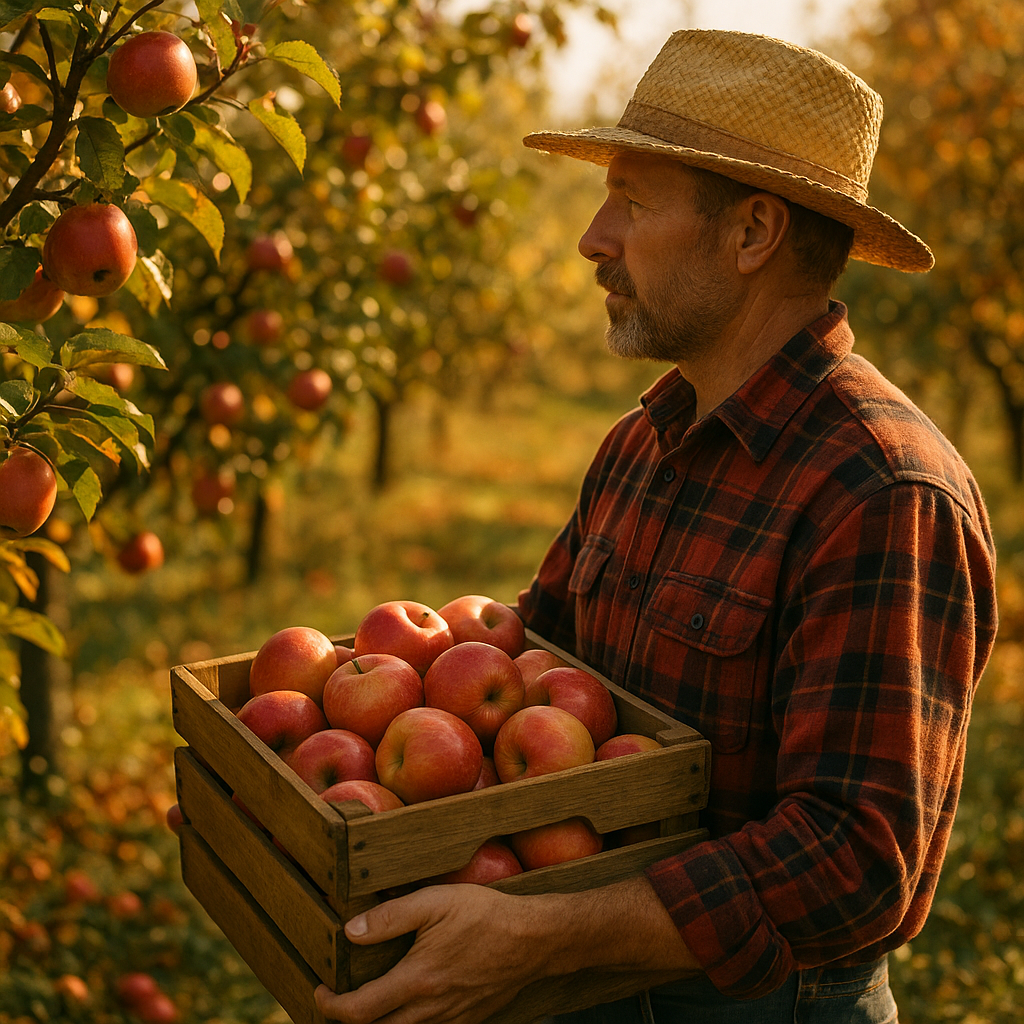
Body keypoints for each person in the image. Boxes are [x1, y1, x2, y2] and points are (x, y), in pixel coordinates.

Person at [315, 29, 998, 1024]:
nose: (593, 237)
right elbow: (530, 661)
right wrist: (306, 754)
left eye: (629, 201)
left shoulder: (880, 490)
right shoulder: (641, 444)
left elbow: (856, 857)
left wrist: (543, 936)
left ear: (752, 233)